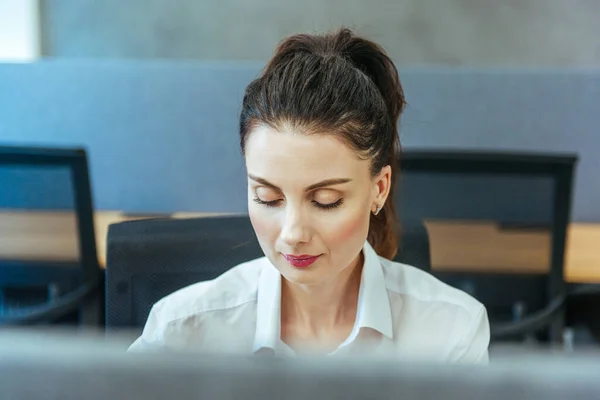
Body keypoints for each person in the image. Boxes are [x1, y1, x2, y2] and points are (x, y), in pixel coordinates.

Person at [129, 28, 490, 363]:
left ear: (379, 189)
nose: (293, 233)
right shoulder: (181, 333)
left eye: (326, 200)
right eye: (267, 197)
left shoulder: (450, 333)